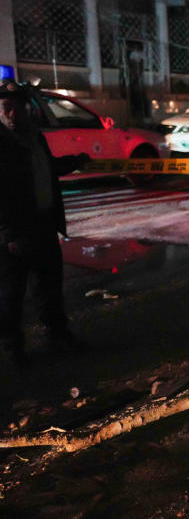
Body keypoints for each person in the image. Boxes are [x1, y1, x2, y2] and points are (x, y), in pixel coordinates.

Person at [0, 86, 90, 366]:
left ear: (28, 109)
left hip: (43, 224)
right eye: (5, 108)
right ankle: (14, 348)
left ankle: (57, 333)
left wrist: (76, 161)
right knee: (11, 294)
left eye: (15, 107)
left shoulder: (34, 137)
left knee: (49, 286)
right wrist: (8, 234)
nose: (10, 113)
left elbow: (47, 168)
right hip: (15, 233)